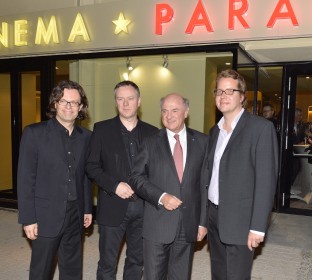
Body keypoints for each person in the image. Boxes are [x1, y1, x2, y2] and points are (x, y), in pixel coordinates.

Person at [203, 69, 278, 280]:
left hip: (241, 220)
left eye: (230, 91)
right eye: (219, 91)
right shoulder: (214, 132)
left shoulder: (260, 129)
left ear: (242, 97)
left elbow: (266, 181)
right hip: (214, 217)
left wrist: (257, 227)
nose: (223, 96)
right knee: (219, 273)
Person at [17, 80, 93, 280]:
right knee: (41, 270)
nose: (69, 107)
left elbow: (85, 175)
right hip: (44, 214)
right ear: (54, 104)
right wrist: (28, 218)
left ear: (81, 107)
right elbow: (25, 179)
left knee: (72, 269)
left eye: (74, 103)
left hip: (75, 213)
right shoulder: (34, 133)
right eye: (64, 101)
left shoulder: (87, 137)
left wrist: (87, 208)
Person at [129, 93, 208, 279]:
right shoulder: (149, 142)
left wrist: (203, 222)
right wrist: (162, 196)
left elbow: (205, 184)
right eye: (165, 111)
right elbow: (136, 178)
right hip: (157, 223)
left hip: (188, 223)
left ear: (186, 112)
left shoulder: (203, 142)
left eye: (175, 110)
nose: (169, 115)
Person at [85, 81, 158, 280]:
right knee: (107, 263)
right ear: (115, 102)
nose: (125, 103)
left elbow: (158, 172)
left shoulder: (153, 133)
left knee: (137, 260)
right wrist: (114, 185)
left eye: (130, 98)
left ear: (139, 101)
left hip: (144, 209)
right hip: (112, 206)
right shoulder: (101, 129)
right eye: (120, 99)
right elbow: (91, 166)